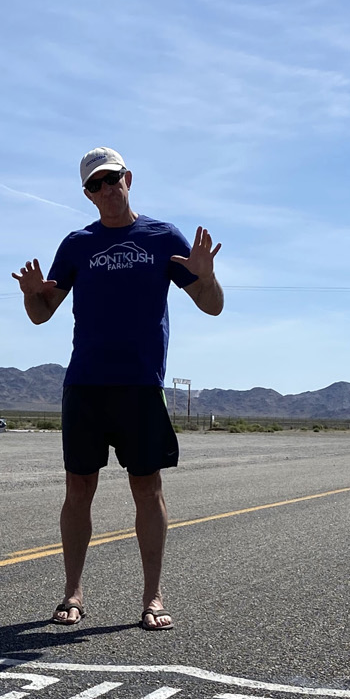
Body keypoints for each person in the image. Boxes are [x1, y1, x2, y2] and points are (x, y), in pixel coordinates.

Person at [13, 147, 223, 631]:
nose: (106, 189)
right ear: (87, 194)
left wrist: (207, 276)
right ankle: (72, 592)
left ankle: (153, 597)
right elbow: (43, 313)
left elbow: (211, 305)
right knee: (78, 489)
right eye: (95, 184)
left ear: (129, 178)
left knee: (147, 489)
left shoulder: (162, 237)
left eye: (112, 179)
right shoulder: (77, 244)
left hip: (140, 386)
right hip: (85, 385)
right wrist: (30, 297)